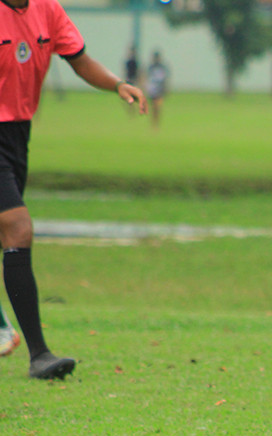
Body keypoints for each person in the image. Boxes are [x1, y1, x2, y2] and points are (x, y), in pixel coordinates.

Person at [0, 0, 147, 379]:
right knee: (17, 228)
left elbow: (80, 61)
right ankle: (39, 355)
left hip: (17, 134)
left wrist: (117, 84)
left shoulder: (48, 10)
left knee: (7, 234)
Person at [146, 51, 169, 129]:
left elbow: (165, 78)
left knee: (158, 106)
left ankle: (156, 123)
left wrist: (165, 88)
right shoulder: (151, 67)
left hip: (160, 89)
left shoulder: (162, 67)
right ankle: (153, 122)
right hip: (153, 89)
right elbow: (147, 77)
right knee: (153, 107)